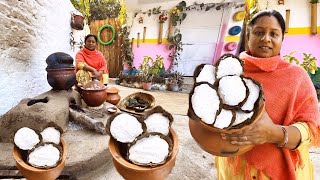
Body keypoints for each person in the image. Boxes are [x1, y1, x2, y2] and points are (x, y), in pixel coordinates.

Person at [216, 10, 320, 180]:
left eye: (274, 34)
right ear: (248, 36)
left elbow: (310, 128)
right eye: (259, 32)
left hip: (276, 173)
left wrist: (273, 134)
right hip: (233, 168)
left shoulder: (296, 76)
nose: (266, 38)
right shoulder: (230, 72)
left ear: (281, 39)